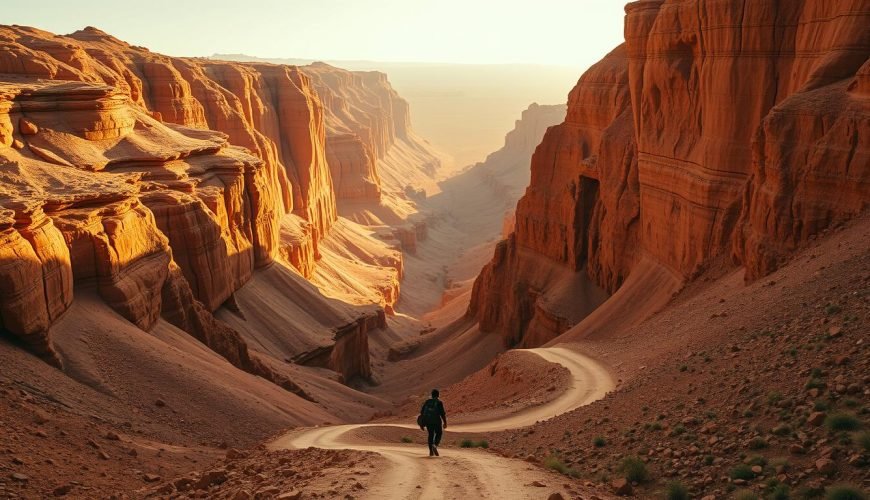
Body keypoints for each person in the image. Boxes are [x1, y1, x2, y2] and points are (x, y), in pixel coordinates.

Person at [418, 388, 447, 456]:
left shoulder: (427, 402)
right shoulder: (439, 402)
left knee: (430, 435)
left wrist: (421, 424)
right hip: (437, 421)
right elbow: (442, 414)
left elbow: (422, 413)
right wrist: (445, 422)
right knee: (439, 433)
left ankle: (431, 451)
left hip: (428, 422)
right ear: (438, 395)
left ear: (432, 395)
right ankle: (435, 445)